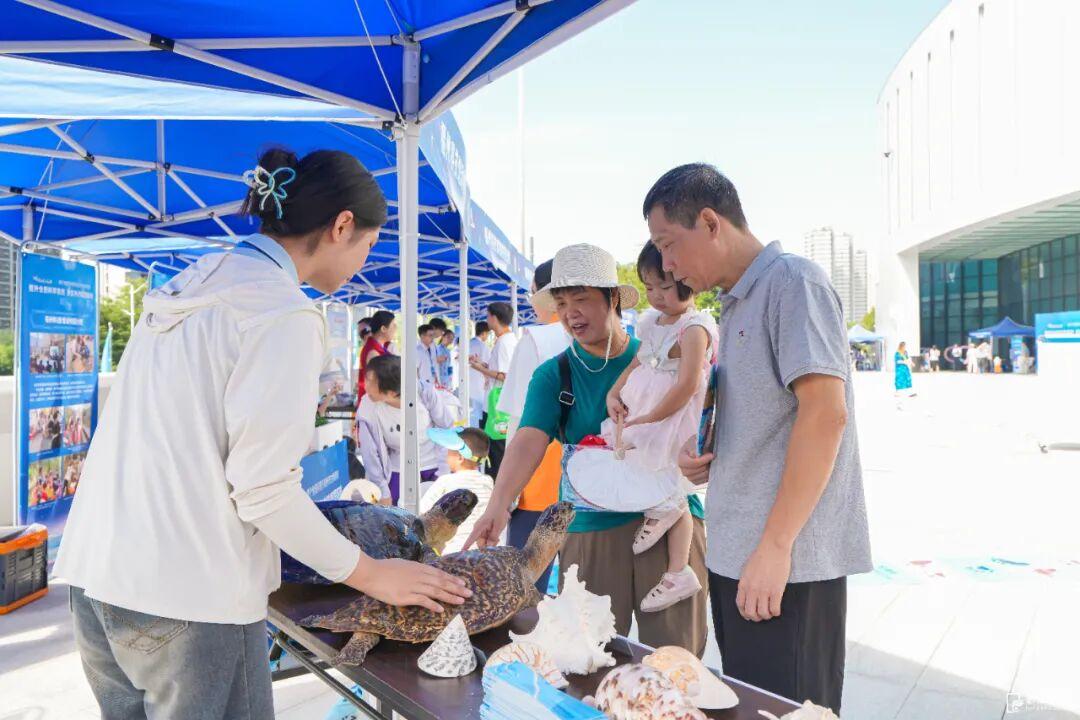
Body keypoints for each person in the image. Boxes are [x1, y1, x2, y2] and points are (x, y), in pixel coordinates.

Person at [54, 147, 471, 720]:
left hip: (96, 578)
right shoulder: (283, 313)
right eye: (368, 247)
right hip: (188, 598)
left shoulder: (191, 284)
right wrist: (373, 574)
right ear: (341, 225)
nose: (361, 264)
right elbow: (263, 488)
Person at [647, 163, 871, 713]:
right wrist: (708, 455)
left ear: (710, 222)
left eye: (668, 245)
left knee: (790, 707)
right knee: (750, 702)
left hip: (785, 562)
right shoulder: (735, 301)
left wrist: (774, 548)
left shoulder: (793, 282)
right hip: (740, 550)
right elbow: (770, 417)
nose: (668, 265)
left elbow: (825, 415)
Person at [465, 243, 710, 657]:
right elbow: (527, 440)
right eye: (561, 303)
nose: (570, 313)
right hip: (591, 531)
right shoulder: (554, 374)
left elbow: (706, 409)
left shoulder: (664, 352)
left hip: (671, 528)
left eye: (581, 300)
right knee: (594, 659)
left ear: (613, 298)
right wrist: (498, 505)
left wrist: (701, 459)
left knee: (674, 658)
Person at [596, 241, 718, 612]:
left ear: (687, 281)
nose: (656, 296)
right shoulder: (652, 321)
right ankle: (677, 570)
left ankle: (677, 570)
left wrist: (651, 418)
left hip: (673, 417)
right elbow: (636, 364)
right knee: (663, 486)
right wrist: (614, 395)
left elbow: (687, 384)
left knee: (673, 489)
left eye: (664, 287)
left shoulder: (695, 327)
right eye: (649, 287)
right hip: (646, 410)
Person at [495, 259, 571, 593]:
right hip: (586, 484)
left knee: (525, 590)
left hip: (539, 478)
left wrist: (505, 494)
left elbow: (519, 423)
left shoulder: (535, 340)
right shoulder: (609, 337)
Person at [357, 354, 444, 506]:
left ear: (391, 393)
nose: (365, 386)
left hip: (433, 466)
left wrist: (444, 472)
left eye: (371, 382)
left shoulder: (424, 393)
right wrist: (383, 490)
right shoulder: (368, 406)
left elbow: (447, 428)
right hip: (397, 471)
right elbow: (370, 453)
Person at [419, 428, 494, 555]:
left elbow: (422, 511)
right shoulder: (488, 482)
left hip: (453, 552)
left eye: (449, 452)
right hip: (484, 551)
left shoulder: (445, 481)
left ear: (460, 457)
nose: (446, 455)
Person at [470, 301, 518, 477]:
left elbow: (505, 376)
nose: (487, 319)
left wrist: (480, 369)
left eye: (488, 315)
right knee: (493, 453)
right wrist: (482, 364)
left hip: (497, 406)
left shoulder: (505, 342)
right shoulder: (504, 340)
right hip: (493, 403)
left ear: (494, 318)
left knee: (496, 456)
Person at [356, 309, 396, 399]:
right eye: (393, 325)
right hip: (374, 406)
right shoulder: (373, 352)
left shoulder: (378, 348)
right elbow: (378, 385)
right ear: (383, 329)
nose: (395, 329)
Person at [468, 321, 492, 426]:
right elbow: (487, 365)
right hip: (479, 381)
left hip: (467, 380)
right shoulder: (483, 346)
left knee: (470, 410)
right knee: (478, 411)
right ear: (484, 333)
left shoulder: (467, 343)